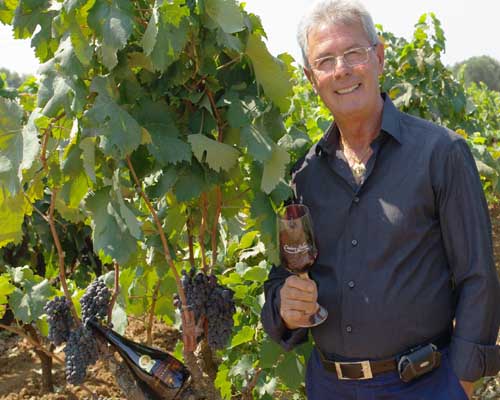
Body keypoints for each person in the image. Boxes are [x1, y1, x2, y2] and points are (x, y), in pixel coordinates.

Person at [261, 0, 500, 399]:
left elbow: (478, 276)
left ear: (379, 57)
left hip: (425, 385)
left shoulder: (441, 153)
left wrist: (461, 382)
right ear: (309, 77)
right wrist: (284, 305)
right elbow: (285, 276)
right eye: (326, 60)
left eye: (354, 53)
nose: (342, 70)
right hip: (329, 386)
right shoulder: (305, 174)